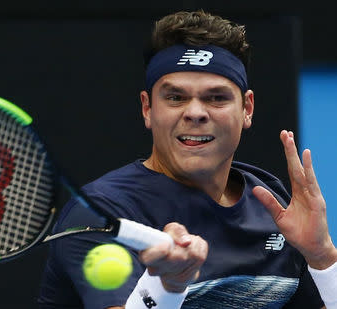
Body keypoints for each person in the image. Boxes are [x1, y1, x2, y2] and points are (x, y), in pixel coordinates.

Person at [37, 10, 337, 309]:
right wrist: (167, 286)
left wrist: (324, 258)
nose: (195, 112)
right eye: (176, 97)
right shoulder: (100, 214)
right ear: (147, 109)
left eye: (216, 97)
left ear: (247, 108)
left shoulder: (272, 205)